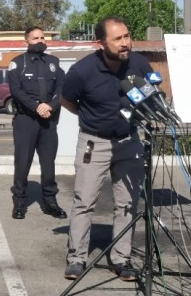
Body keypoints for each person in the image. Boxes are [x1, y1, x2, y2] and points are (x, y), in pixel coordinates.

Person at [59, 16, 151, 282]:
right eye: (118, 39)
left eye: (127, 36)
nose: (125, 43)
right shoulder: (81, 71)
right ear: (101, 43)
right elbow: (67, 101)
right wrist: (92, 120)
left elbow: (148, 95)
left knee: (127, 204)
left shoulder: (139, 64)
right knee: (84, 202)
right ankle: (76, 258)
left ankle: (121, 259)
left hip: (129, 140)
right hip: (94, 143)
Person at [7, 26, 66, 220]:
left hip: (48, 120)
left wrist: (50, 105)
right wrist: (36, 106)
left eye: (42, 37)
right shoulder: (17, 64)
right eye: (35, 38)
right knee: (22, 162)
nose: (40, 41)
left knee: (48, 162)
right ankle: (20, 202)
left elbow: (61, 88)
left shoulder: (53, 62)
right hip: (26, 120)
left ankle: (50, 201)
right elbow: (17, 91)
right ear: (26, 42)